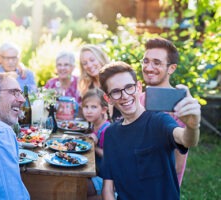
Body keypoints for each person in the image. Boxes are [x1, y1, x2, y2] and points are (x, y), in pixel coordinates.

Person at [99, 61, 200, 199]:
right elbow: (108, 188)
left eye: (129, 87)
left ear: (139, 87)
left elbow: (186, 139)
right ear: (108, 98)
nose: (125, 95)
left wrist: (192, 126)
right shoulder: (111, 134)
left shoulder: (159, 121)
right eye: (116, 91)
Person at [139, 37, 188, 186]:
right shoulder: (138, 100)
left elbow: (177, 166)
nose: (148, 67)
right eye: (146, 61)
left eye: (157, 62)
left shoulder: (179, 105)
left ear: (171, 68)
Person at [82, 88, 111, 199]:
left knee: (74, 187)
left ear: (103, 110)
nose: (89, 111)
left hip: (103, 179)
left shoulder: (106, 130)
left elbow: (110, 157)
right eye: (86, 107)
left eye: (94, 107)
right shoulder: (93, 125)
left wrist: (94, 146)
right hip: (92, 173)